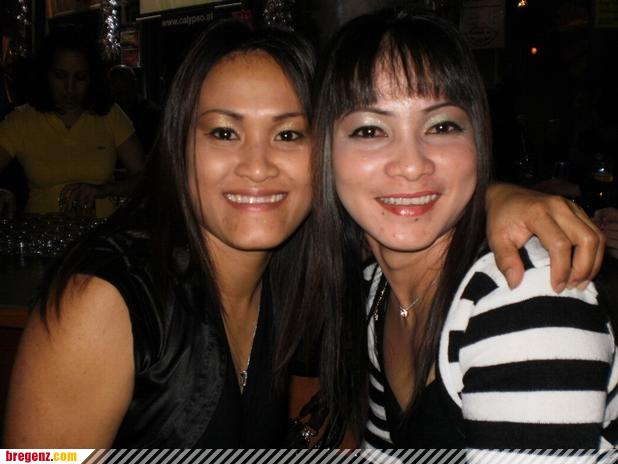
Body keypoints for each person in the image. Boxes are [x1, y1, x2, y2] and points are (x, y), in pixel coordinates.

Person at [4, 18, 606, 448]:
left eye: (289, 134)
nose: (257, 166)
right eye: (223, 133)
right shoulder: (103, 304)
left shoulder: (319, 275)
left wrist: (494, 196)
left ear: (321, 155)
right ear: (178, 146)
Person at [311, 10, 616, 453]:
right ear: (324, 152)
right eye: (370, 129)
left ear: (479, 139)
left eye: (441, 126)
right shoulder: (378, 293)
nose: (412, 165)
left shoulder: (527, 300)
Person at [0, 25, 144, 218]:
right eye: (60, 76)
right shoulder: (22, 119)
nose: (70, 88)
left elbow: (145, 178)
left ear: (92, 78)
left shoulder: (109, 115)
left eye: (80, 77)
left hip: (102, 231)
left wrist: (107, 189)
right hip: (44, 232)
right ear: (46, 75)